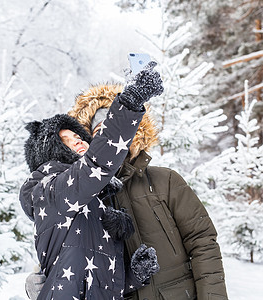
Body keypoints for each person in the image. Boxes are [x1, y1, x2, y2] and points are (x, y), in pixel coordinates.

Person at [26, 82, 229, 300]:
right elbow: (70, 251)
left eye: (112, 128)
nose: (109, 136)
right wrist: (40, 278)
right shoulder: (87, 198)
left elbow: (203, 243)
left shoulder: (166, 180)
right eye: (99, 132)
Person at [19, 63, 164, 299]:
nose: (77, 141)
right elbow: (95, 166)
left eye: (78, 135)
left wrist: (133, 276)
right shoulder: (49, 189)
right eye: (65, 140)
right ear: (50, 151)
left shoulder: (97, 201)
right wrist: (130, 103)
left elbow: (94, 281)